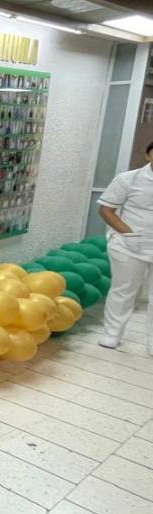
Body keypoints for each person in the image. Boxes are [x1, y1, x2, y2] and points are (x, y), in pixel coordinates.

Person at [97, 141, 153, 354]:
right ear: (148, 155)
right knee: (124, 290)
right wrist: (128, 233)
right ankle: (112, 334)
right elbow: (106, 210)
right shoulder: (128, 179)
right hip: (130, 245)